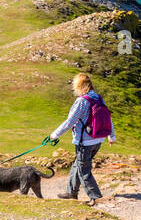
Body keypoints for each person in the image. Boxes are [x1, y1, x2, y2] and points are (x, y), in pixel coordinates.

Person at [44, 73, 115, 204]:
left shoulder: (82, 101)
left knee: (83, 170)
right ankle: (71, 192)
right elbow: (108, 119)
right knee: (78, 165)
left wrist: (54, 135)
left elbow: (70, 121)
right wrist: (112, 136)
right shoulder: (99, 98)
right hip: (98, 140)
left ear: (79, 86)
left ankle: (97, 197)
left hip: (85, 142)